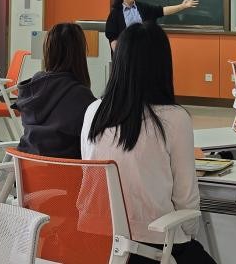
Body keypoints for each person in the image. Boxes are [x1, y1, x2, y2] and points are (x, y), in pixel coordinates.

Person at [82, 22, 215, 264]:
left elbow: (89, 171)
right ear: (162, 65)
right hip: (153, 248)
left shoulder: (93, 111)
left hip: (96, 242)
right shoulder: (174, 119)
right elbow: (186, 200)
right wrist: (188, 235)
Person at [14, 23, 96, 159]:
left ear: (48, 51)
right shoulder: (81, 96)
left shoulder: (34, 85)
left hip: (27, 168)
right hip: (65, 170)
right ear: (79, 54)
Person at [102, 0, 198, 48]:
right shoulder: (115, 13)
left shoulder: (143, 8)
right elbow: (113, 39)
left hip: (143, 51)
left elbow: (163, 10)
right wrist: (120, 56)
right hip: (125, 54)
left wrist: (182, 6)